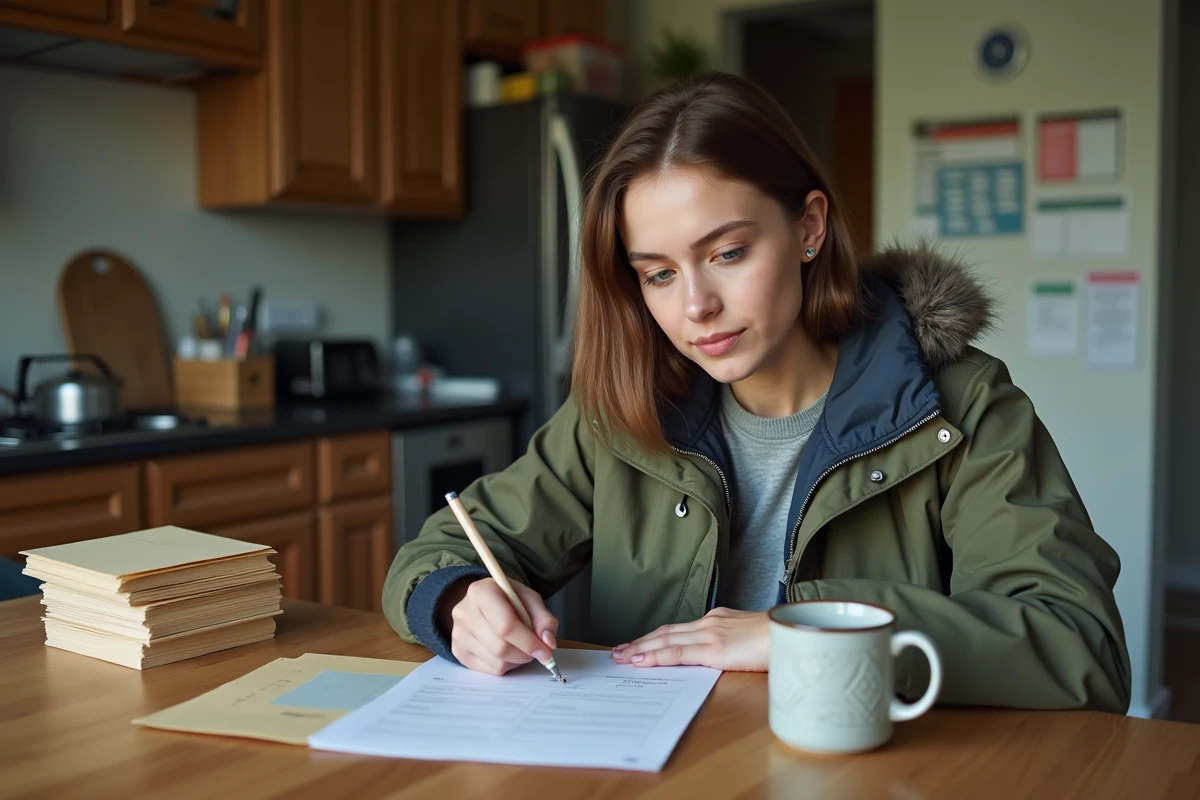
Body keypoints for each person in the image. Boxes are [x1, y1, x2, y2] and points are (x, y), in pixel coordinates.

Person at [382, 72, 1131, 713]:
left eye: (728, 253)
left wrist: (812, 628)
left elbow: (1079, 647)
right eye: (659, 273)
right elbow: (441, 552)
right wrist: (458, 602)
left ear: (809, 227)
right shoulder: (621, 412)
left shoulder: (961, 409)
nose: (695, 306)